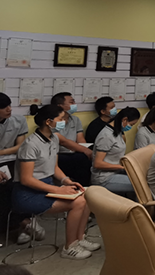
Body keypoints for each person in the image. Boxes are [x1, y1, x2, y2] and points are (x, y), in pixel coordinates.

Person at [14, 105, 98, 259]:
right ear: (48, 121)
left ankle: (80, 238)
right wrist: (58, 190)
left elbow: (54, 167)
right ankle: (70, 247)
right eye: (61, 119)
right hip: (28, 194)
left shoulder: (54, 139)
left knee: (86, 195)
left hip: (47, 188)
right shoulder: (30, 145)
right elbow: (26, 179)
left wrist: (66, 181)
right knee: (78, 203)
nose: (64, 122)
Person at [0, 93, 34, 243]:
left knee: (23, 183)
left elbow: (20, 146)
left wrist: (1, 152)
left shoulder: (18, 120)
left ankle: (24, 223)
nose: (9, 109)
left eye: (9, 105)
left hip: (12, 159)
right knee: (4, 187)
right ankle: (22, 222)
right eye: (4, 107)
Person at [91, 107, 140, 197]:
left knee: (143, 178)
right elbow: (97, 163)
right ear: (124, 120)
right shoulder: (106, 135)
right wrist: (122, 167)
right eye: (131, 124)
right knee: (141, 185)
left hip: (115, 172)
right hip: (104, 178)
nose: (131, 127)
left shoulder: (117, 132)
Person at [50, 92, 93, 187]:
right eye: (71, 102)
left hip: (75, 152)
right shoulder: (52, 121)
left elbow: (80, 139)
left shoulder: (75, 119)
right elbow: (63, 142)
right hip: (59, 153)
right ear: (60, 106)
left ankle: (84, 188)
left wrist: (86, 150)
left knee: (85, 158)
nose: (74, 104)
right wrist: (85, 150)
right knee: (79, 159)